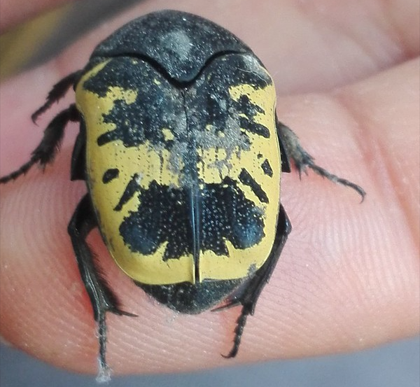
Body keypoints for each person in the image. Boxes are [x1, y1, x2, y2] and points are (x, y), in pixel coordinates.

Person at [0, 0, 418, 377]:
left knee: (78, 226)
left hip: (151, 242)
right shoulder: (245, 77)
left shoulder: (106, 78)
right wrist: (301, 158)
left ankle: (103, 315)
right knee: (281, 226)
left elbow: (68, 108)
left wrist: (48, 125)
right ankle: (239, 307)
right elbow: (277, 130)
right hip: (225, 244)